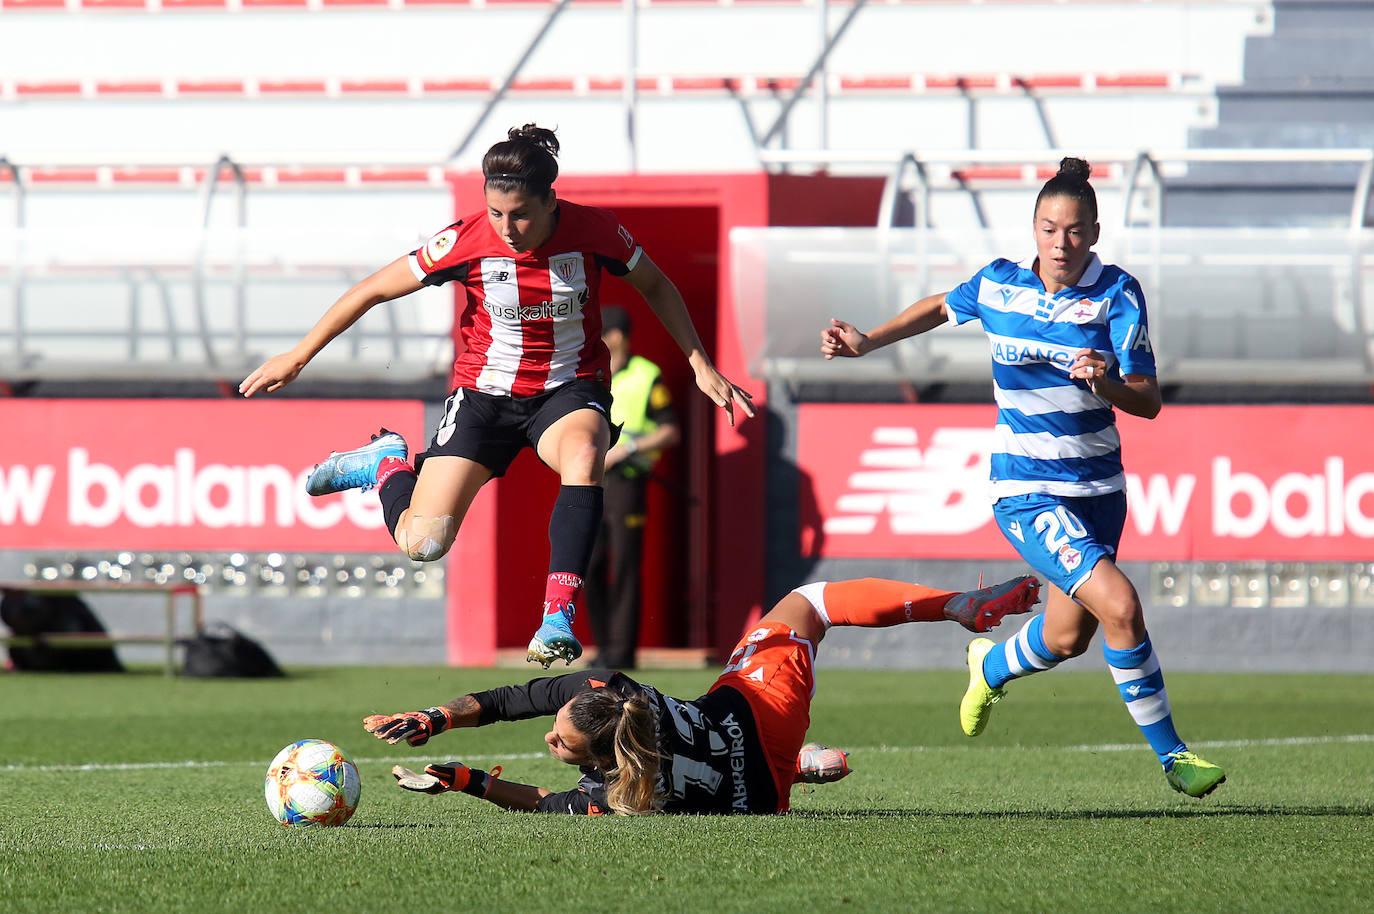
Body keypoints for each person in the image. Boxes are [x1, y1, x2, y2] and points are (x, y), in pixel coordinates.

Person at [239, 125, 754, 669]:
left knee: (584, 456)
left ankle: (557, 617)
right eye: (497, 213)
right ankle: (387, 463)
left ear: (552, 200)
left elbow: (656, 284)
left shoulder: (596, 230)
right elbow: (372, 289)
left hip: (568, 389)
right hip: (483, 397)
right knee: (422, 545)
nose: (507, 228)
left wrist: (700, 364)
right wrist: (299, 355)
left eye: (522, 213)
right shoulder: (464, 241)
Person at [819, 157, 1226, 799]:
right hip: (1025, 490)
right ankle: (1174, 757)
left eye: (1073, 231)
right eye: (1048, 228)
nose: (1060, 243)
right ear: (1033, 228)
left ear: (1094, 233)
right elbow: (939, 307)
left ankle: (991, 664)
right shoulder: (999, 285)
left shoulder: (1118, 294)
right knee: (1122, 605)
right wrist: (868, 341)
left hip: (1098, 492)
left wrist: (1107, 381)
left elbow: (1147, 400)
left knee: (1069, 635)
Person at [364, 573, 1040, 815]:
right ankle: (954, 605)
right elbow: (517, 701)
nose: (546, 732)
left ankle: (796, 769)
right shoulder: (612, 691)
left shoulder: (621, 793)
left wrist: (460, 775)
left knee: (723, 772)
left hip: (760, 796)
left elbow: (541, 801)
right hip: (754, 713)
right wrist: (436, 723)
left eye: (558, 739)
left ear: (602, 752)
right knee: (809, 604)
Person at [584, 305, 681, 669]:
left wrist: (629, 447)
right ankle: (604, 646)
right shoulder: (588, 373)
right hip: (590, 481)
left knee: (625, 566)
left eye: (601, 334)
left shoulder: (646, 375)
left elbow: (670, 430)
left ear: (617, 337)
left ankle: (622, 653)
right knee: (589, 565)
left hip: (628, 482)